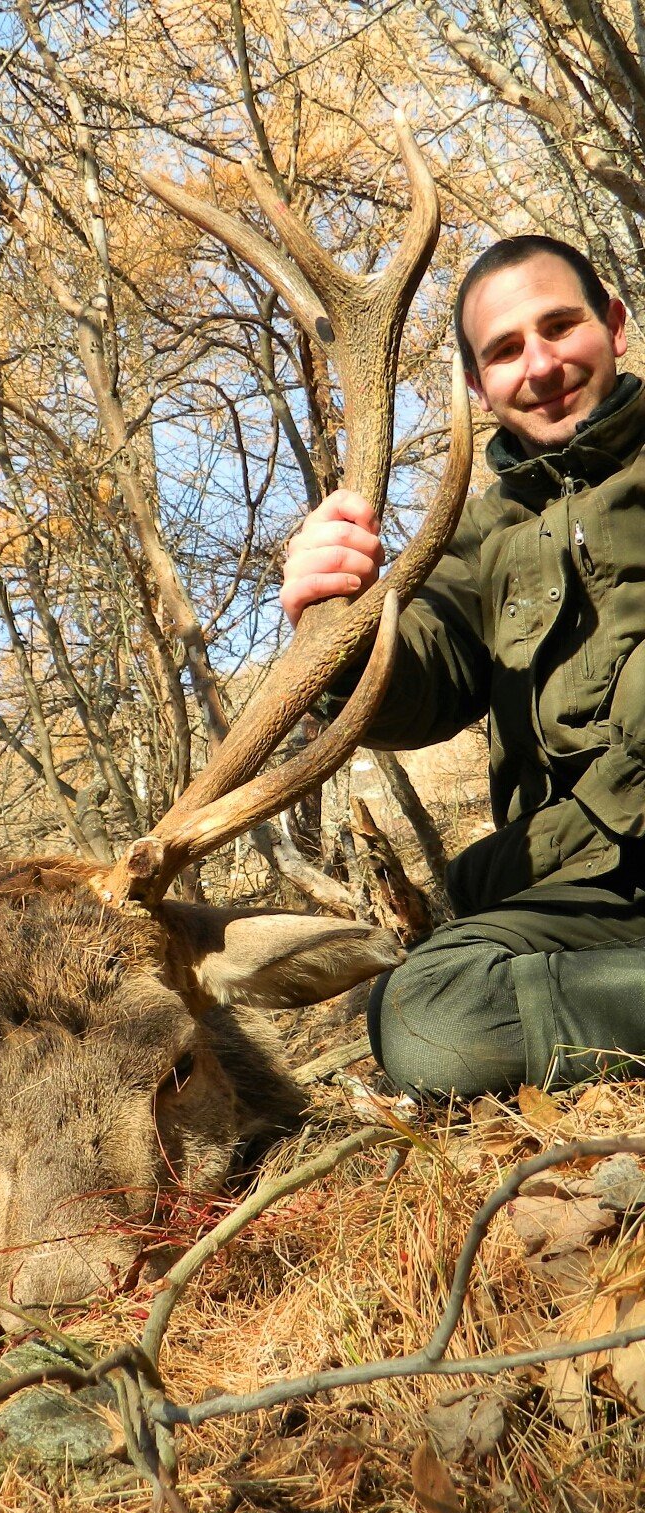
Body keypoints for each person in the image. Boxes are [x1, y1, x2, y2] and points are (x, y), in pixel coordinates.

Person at [283, 234, 645, 1099]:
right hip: (587, 897)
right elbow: (420, 684)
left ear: (617, 326)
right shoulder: (476, 539)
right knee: (422, 1016)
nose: (542, 363)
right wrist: (335, 616)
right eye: (507, 350)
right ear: (479, 388)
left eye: (561, 326)